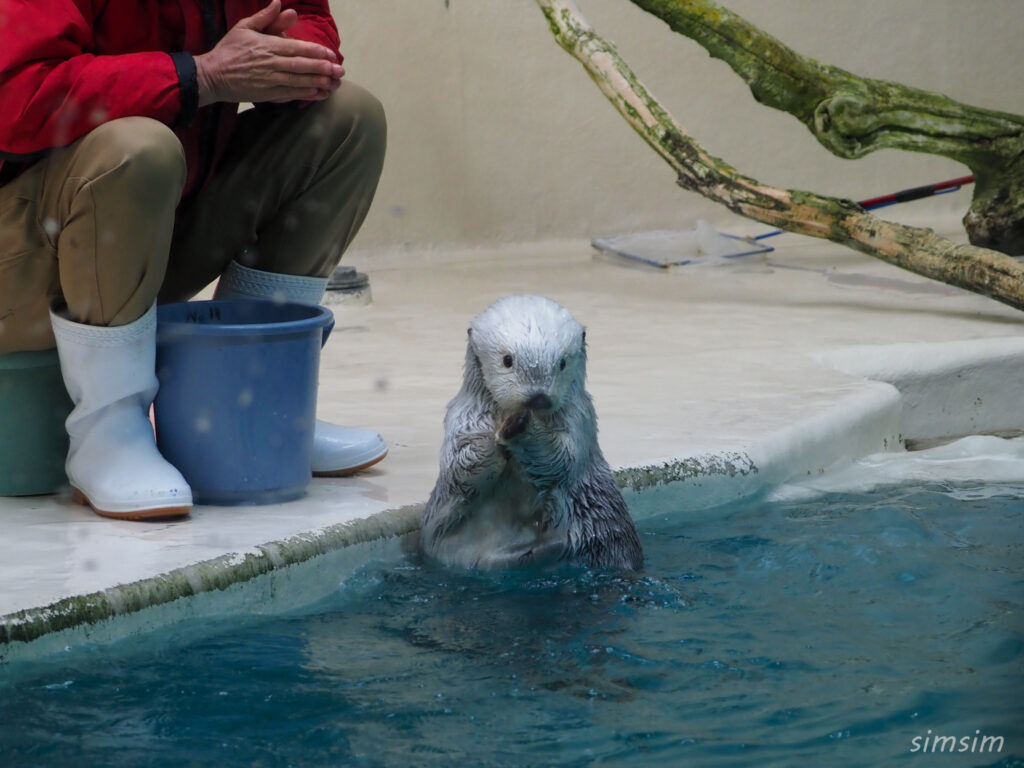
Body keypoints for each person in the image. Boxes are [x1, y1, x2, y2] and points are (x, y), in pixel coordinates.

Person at [0, 0, 388, 520]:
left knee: (345, 120)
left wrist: (282, 55)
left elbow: (310, 18)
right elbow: (18, 95)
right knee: (139, 148)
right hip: (26, 253)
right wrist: (200, 76)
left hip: (143, 228)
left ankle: (252, 403)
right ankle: (108, 432)